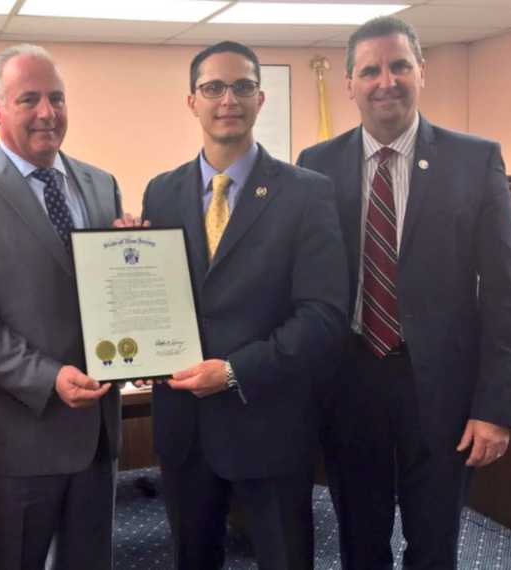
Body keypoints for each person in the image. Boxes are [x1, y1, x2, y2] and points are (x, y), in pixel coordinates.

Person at [297, 15, 511, 570]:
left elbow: (505, 293)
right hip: (349, 384)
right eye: (369, 70)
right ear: (348, 83)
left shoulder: (476, 160)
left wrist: (495, 408)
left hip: (442, 393)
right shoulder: (315, 167)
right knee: (359, 543)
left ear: (422, 71)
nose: (385, 81)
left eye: (399, 66)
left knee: (434, 542)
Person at [140, 41, 349, 569]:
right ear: (192, 101)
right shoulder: (160, 193)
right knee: (192, 558)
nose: (227, 99)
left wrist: (234, 371)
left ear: (261, 99)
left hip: (270, 422)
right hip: (184, 427)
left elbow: (324, 316)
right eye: (213, 87)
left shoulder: (306, 193)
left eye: (242, 86)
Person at [0, 44, 123, 570]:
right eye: (29, 98)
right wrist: (49, 377)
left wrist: (136, 259)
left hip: (98, 435)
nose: (46, 112)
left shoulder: (101, 184)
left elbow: (107, 290)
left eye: (56, 98)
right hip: (14, 443)